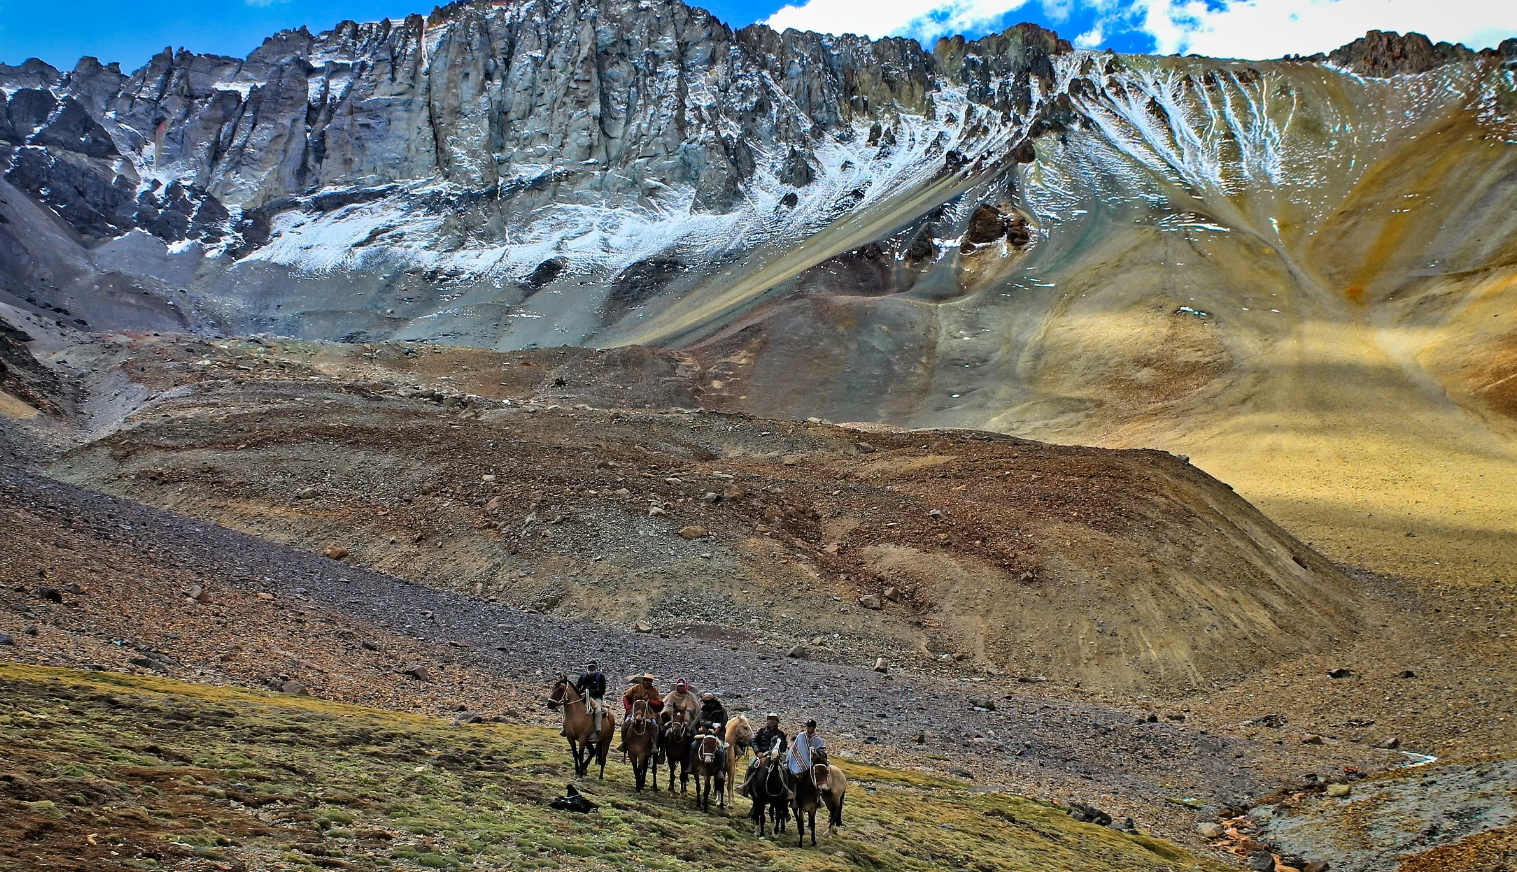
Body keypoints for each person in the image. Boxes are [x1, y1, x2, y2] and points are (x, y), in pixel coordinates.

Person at [742, 712, 788, 797]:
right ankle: (745, 786)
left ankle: (786, 790)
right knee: (751, 765)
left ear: (777, 721)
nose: (771, 721)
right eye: (770, 719)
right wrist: (758, 751)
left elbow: (784, 746)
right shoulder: (761, 731)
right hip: (762, 754)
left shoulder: (780, 734)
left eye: (773, 719)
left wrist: (779, 751)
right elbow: (754, 741)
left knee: (784, 769)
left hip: (776, 756)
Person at [617, 673, 663, 752]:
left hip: (649, 712)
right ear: (643, 680)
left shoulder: (654, 691)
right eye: (646, 680)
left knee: (654, 724)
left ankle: (653, 744)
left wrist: (650, 701)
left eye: (650, 681)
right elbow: (625, 697)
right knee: (626, 722)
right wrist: (628, 708)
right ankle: (624, 742)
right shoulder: (636, 688)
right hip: (635, 711)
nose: (648, 682)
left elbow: (660, 703)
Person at [573, 660, 607, 734]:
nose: (591, 668)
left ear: (596, 667)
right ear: (587, 667)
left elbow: (602, 691)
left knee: (598, 710)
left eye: (592, 667)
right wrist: (580, 694)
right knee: (572, 707)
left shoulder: (600, 677)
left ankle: (598, 728)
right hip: (583, 697)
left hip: (596, 698)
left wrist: (589, 693)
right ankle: (567, 727)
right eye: (590, 667)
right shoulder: (583, 676)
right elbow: (577, 687)